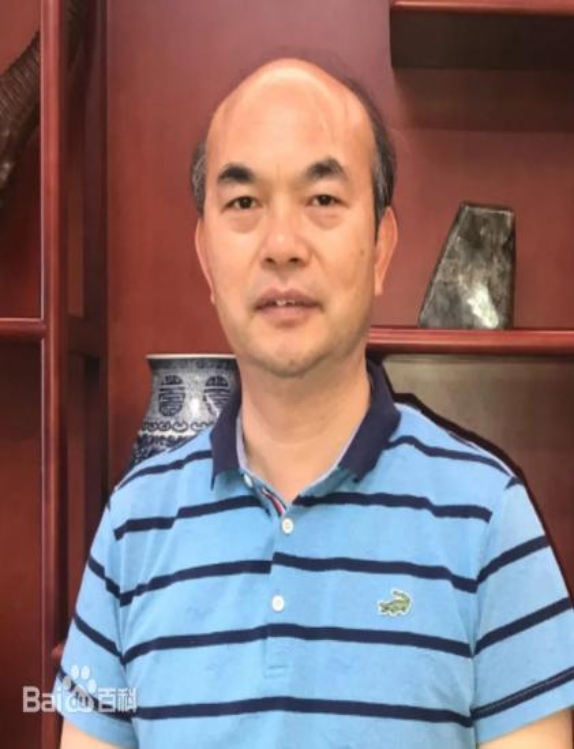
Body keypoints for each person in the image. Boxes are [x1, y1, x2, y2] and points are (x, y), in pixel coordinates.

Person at [57, 58, 574, 748]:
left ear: (381, 247)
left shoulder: (487, 519)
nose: (282, 246)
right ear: (206, 256)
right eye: (244, 202)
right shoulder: (132, 527)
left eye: (323, 198)